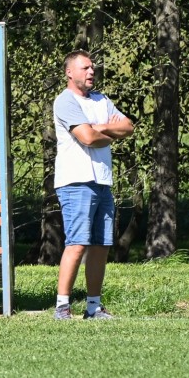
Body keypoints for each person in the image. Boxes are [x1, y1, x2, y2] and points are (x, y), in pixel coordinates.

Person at [52, 50, 134, 320]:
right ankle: (62, 307)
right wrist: (107, 130)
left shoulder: (101, 100)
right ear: (69, 73)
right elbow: (87, 138)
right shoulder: (65, 101)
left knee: (101, 245)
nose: (91, 72)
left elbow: (128, 127)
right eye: (85, 68)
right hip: (76, 182)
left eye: (92, 68)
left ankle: (93, 307)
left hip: (102, 181)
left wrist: (99, 128)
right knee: (77, 243)